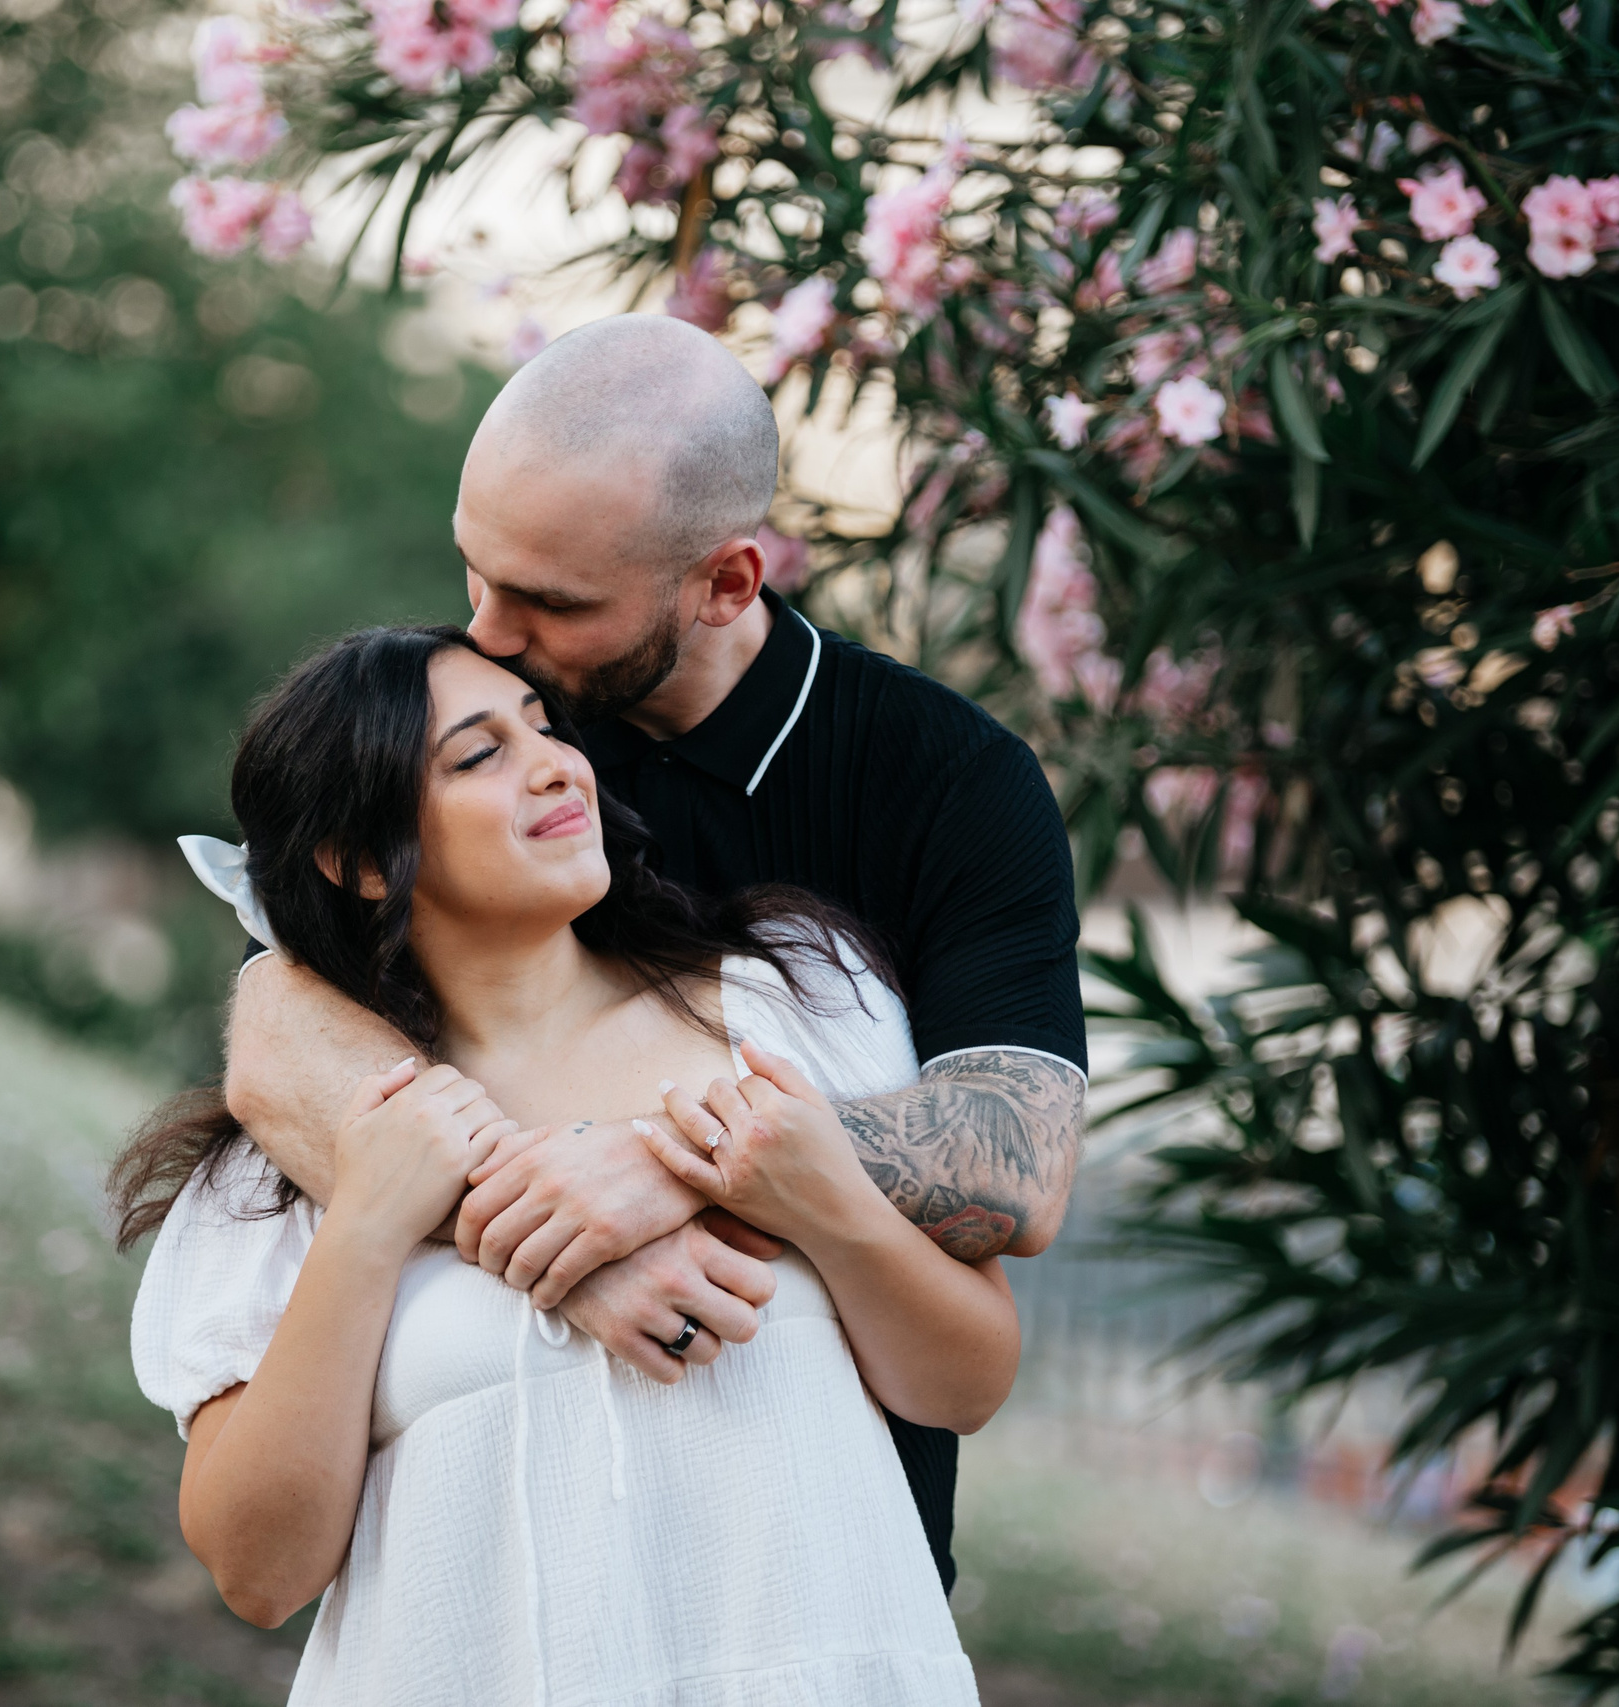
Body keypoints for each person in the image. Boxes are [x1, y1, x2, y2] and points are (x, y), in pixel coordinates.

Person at [223, 313, 1089, 1587]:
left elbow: (1016, 1163)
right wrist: (554, 1238)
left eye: (550, 603)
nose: (488, 632)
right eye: (476, 573)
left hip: (830, 1558)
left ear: (727, 582)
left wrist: (659, 1163)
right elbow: (275, 1014)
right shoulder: (497, 724)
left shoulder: (949, 782)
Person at [118, 626, 1016, 1704]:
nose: (555, 764)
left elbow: (968, 1382)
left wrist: (829, 1205)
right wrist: (366, 1225)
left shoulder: (792, 1004)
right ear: (357, 860)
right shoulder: (289, 1159)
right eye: (476, 755)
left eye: (545, 729)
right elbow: (258, 1575)